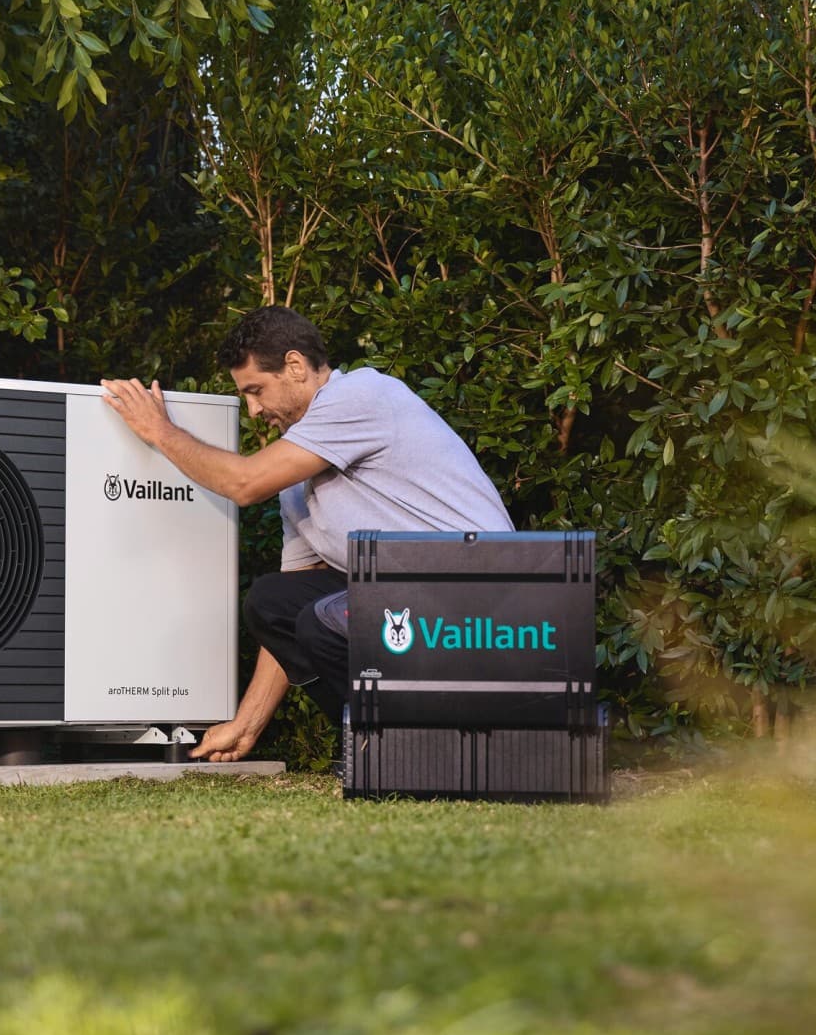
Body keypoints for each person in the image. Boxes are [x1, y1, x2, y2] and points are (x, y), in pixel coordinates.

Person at [100, 307, 512, 761]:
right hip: (409, 598)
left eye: (255, 391)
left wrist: (159, 431)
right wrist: (247, 723)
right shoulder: (298, 479)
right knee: (273, 602)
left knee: (324, 617)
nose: (254, 411)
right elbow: (294, 611)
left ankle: (415, 745)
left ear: (295, 366)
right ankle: (380, 745)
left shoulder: (361, 394)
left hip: (482, 596)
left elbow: (244, 484)